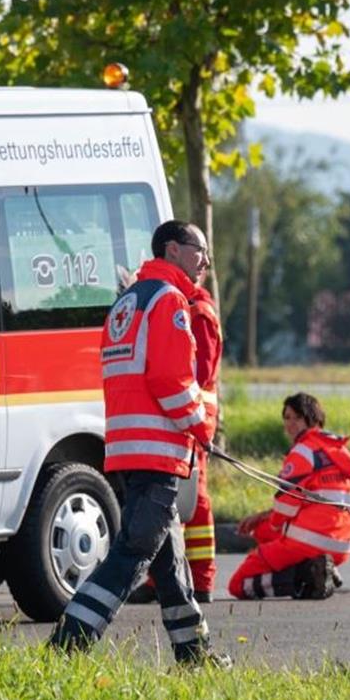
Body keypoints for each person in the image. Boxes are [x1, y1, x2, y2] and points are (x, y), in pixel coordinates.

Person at [48, 220, 230, 667]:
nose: (205, 259)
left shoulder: (128, 300)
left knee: (169, 562)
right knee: (131, 554)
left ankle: (194, 653)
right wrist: (203, 426)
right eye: (198, 249)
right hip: (159, 450)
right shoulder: (169, 301)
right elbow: (170, 379)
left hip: (129, 448)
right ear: (172, 249)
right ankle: (68, 646)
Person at [127, 256, 223, 604]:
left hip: (189, 423)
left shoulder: (193, 310)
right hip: (186, 420)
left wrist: (195, 421)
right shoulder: (182, 304)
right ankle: (170, 582)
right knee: (178, 507)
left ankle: (198, 581)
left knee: (191, 504)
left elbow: (194, 373)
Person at [227, 393, 350, 600]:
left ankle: (307, 577)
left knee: (238, 585)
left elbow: (285, 508)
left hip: (310, 541)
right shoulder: (338, 451)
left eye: (297, 418)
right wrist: (263, 517)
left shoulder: (302, 452)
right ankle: (320, 570)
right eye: (287, 417)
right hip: (343, 545)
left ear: (313, 419)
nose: (290, 424)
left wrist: (269, 527)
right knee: (264, 530)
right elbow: (312, 500)